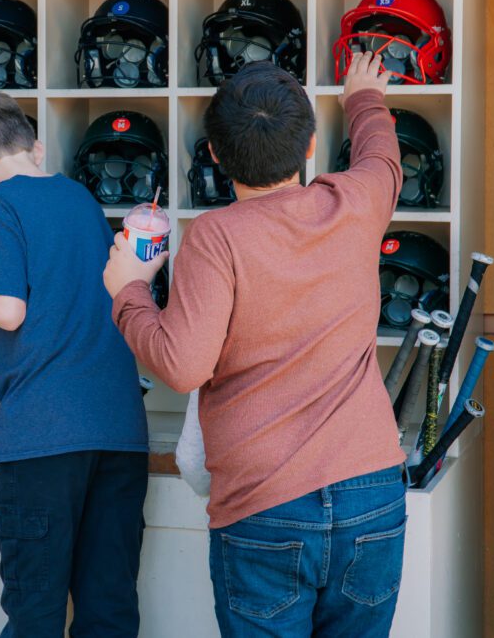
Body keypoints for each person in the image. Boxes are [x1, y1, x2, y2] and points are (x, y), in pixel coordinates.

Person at [104, 53, 407, 637]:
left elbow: (183, 364)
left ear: (215, 154)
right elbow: (381, 157)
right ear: (311, 145)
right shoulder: (358, 202)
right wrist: (363, 97)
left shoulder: (217, 236)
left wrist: (131, 293)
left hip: (265, 504)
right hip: (370, 488)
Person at [0, 92, 149, 637]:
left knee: (34, 614)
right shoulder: (81, 197)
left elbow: (8, 312)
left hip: (44, 435)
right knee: (109, 610)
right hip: (119, 430)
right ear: (32, 147)